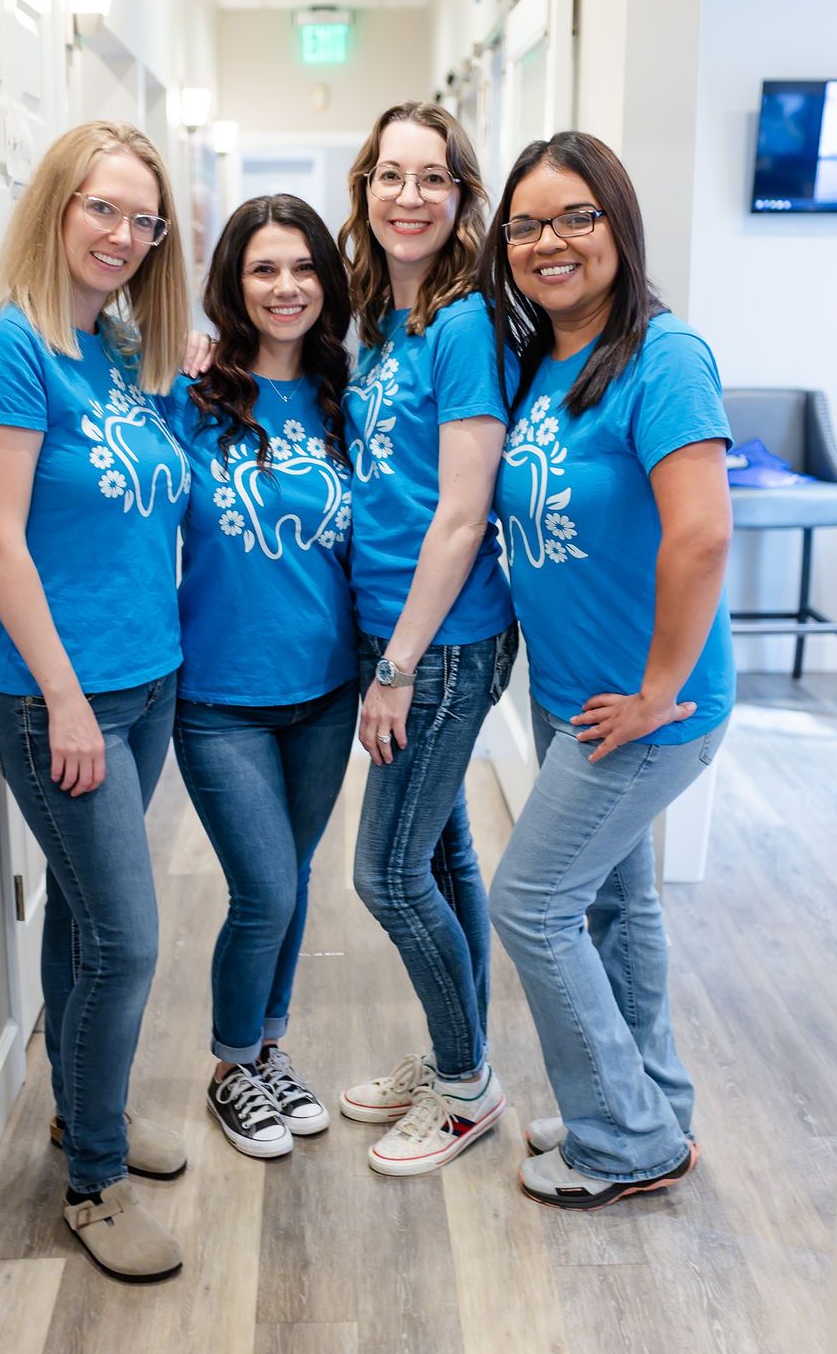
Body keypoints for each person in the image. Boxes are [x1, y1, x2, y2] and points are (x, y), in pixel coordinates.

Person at [479, 131, 734, 1210]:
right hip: (574, 699)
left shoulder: (663, 357)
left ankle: (621, 1138)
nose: (550, 241)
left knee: (531, 903)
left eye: (576, 216)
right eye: (527, 224)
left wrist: (657, 689)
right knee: (615, 905)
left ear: (617, 226)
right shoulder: (544, 359)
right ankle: (647, 1103)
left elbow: (702, 536)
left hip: (644, 710)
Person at [0, 121, 191, 1281]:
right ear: (55, 203)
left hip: (144, 684)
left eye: (144, 220)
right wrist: (63, 697)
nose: (124, 236)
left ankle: (74, 1110)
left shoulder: (115, 350)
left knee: (83, 922)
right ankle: (93, 1180)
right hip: (61, 698)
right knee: (130, 939)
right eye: (104, 208)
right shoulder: (8, 351)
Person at [337, 101, 519, 1176]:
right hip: (396, 629)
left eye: (433, 178)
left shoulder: (462, 324)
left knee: (388, 874)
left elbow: (460, 513)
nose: (409, 196)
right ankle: (463, 1053)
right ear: (366, 188)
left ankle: (463, 1086)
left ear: (461, 198)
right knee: (443, 854)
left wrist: (398, 666)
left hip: (441, 641)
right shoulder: (382, 319)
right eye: (391, 175)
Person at [169, 195, 358, 1160]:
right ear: (234, 285)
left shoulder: (346, 397)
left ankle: (267, 1050)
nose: (285, 288)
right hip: (217, 698)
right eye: (263, 270)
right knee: (265, 890)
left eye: (303, 269)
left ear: (327, 281)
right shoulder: (189, 394)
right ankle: (228, 1067)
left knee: (296, 875)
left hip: (326, 690)